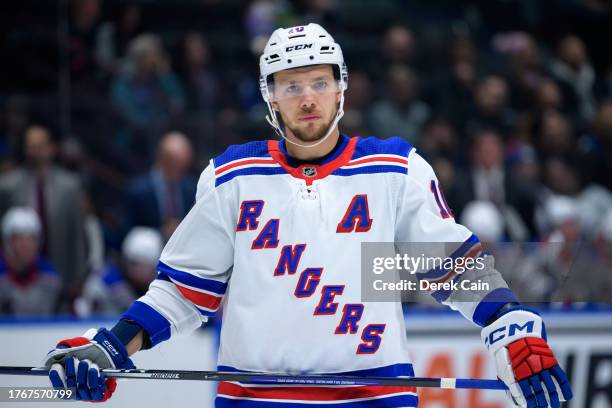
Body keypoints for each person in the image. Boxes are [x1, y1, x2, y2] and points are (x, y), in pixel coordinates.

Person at [43, 24, 572, 407]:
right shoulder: (231, 177)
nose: (307, 99)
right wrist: (111, 346)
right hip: (255, 398)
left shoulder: (392, 169)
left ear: (341, 88)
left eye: (318, 82)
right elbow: (184, 291)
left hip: (374, 395)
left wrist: (507, 324)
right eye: (290, 86)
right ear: (270, 97)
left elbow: (450, 266)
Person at [76, 226, 163, 316]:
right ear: (126, 260)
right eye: (135, 263)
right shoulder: (106, 281)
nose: (140, 271)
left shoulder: (160, 287)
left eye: (146, 266)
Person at [0, 206, 60, 315]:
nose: (25, 245)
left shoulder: (49, 275)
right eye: (18, 238)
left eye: (31, 238)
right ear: (7, 241)